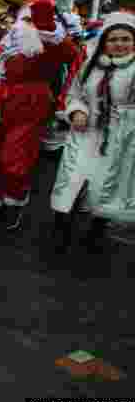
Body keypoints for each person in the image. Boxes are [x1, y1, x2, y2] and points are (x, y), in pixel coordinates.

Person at [0, 0, 79, 231]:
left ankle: (14, 203)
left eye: (34, 21)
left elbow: (69, 54)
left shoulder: (49, 43)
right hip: (2, 102)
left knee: (16, 157)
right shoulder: (8, 42)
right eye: (26, 20)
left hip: (31, 103)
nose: (29, 25)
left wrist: (47, 27)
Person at [50, 14, 135, 254]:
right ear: (104, 42)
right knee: (71, 178)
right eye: (113, 39)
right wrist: (77, 110)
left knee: (105, 184)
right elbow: (75, 94)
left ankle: (97, 231)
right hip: (85, 134)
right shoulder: (91, 67)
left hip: (120, 138)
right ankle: (60, 227)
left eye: (126, 39)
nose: (119, 44)